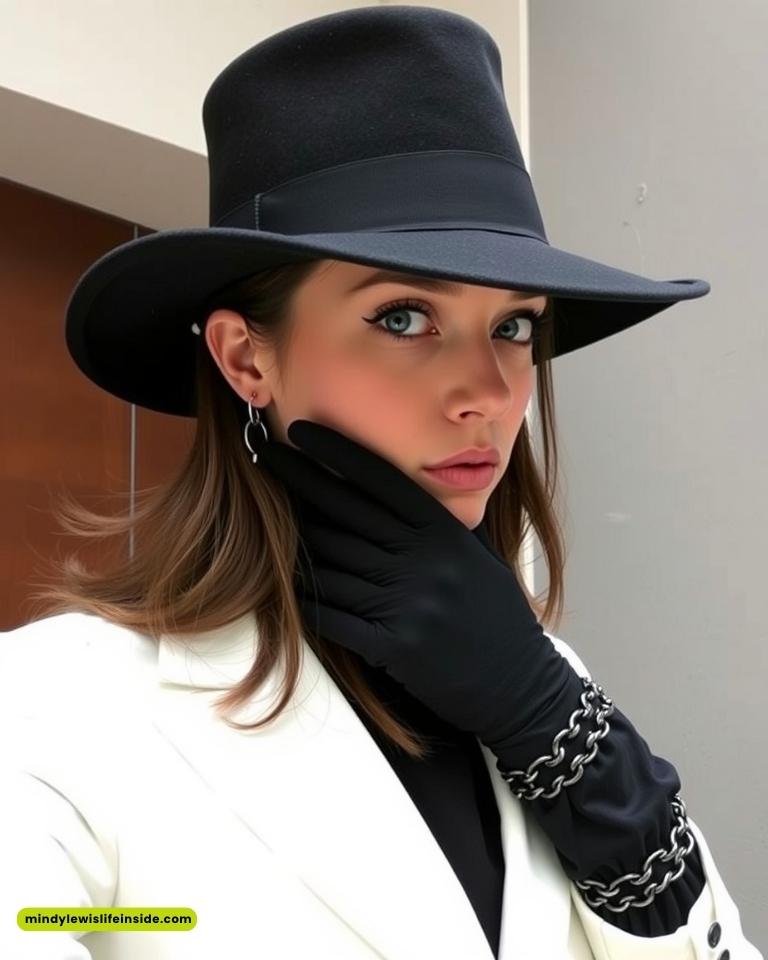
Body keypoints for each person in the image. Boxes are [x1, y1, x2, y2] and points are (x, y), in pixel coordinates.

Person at [0, 6, 761, 959]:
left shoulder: (551, 693)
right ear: (246, 360)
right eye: (404, 317)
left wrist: (564, 740)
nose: (488, 391)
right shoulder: (59, 707)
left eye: (516, 325)